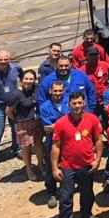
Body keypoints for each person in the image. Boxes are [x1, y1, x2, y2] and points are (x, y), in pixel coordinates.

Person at [51, 91, 103, 218]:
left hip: (87, 165)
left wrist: (98, 159)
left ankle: (86, 214)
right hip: (68, 167)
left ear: (84, 103)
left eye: (80, 103)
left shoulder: (92, 119)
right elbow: (56, 146)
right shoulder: (61, 123)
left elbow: (99, 140)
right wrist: (54, 167)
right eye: (74, 103)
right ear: (69, 105)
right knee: (66, 198)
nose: (77, 106)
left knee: (87, 193)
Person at [6, 69, 43, 180]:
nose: (28, 81)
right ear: (21, 80)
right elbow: (8, 111)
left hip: (36, 122)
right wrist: (18, 120)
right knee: (26, 148)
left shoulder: (36, 89)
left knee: (38, 145)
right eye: (26, 79)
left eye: (31, 79)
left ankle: (41, 166)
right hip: (23, 125)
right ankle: (29, 169)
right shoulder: (17, 94)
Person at [0, 50, 23, 169]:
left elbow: (24, 79)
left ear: (9, 60)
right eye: (1, 60)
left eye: (6, 60)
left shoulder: (16, 68)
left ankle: (17, 149)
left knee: (16, 129)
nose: (3, 62)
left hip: (13, 105)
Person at [40, 79, 69, 208]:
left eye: (60, 90)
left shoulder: (69, 103)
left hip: (68, 141)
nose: (58, 93)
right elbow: (47, 127)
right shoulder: (44, 107)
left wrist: (56, 125)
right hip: (52, 141)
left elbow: (75, 118)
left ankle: (64, 190)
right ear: (50, 91)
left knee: (66, 165)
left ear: (64, 91)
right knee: (50, 166)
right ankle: (51, 192)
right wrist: (65, 123)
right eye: (55, 90)